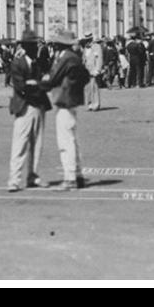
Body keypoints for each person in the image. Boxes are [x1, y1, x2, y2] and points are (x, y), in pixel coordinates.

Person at [41, 30, 89, 190]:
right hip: (71, 99)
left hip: (64, 99)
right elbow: (86, 76)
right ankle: (77, 174)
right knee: (72, 139)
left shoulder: (65, 58)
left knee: (65, 141)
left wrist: (41, 83)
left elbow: (53, 78)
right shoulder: (74, 57)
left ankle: (70, 178)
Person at [7, 31, 51, 192]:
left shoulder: (38, 63)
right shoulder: (18, 63)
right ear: (25, 46)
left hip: (39, 106)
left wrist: (36, 83)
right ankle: (14, 179)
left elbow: (48, 81)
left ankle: (32, 175)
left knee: (37, 143)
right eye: (32, 45)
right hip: (25, 105)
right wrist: (38, 84)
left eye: (36, 45)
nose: (35, 48)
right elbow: (21, 86)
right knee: (20, 143)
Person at [83, 35, 103, 111]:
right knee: (87, 88)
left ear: (91, 39)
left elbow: (99, 58)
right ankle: (89, 104)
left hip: (94, 69)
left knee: (95, 87)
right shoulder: (85, 47)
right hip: (87, 69)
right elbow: (84, 59)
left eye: (88, 39)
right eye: (86, 39)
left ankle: (96, 104)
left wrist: (98, 69)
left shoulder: (97, 46)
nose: (87, 41)